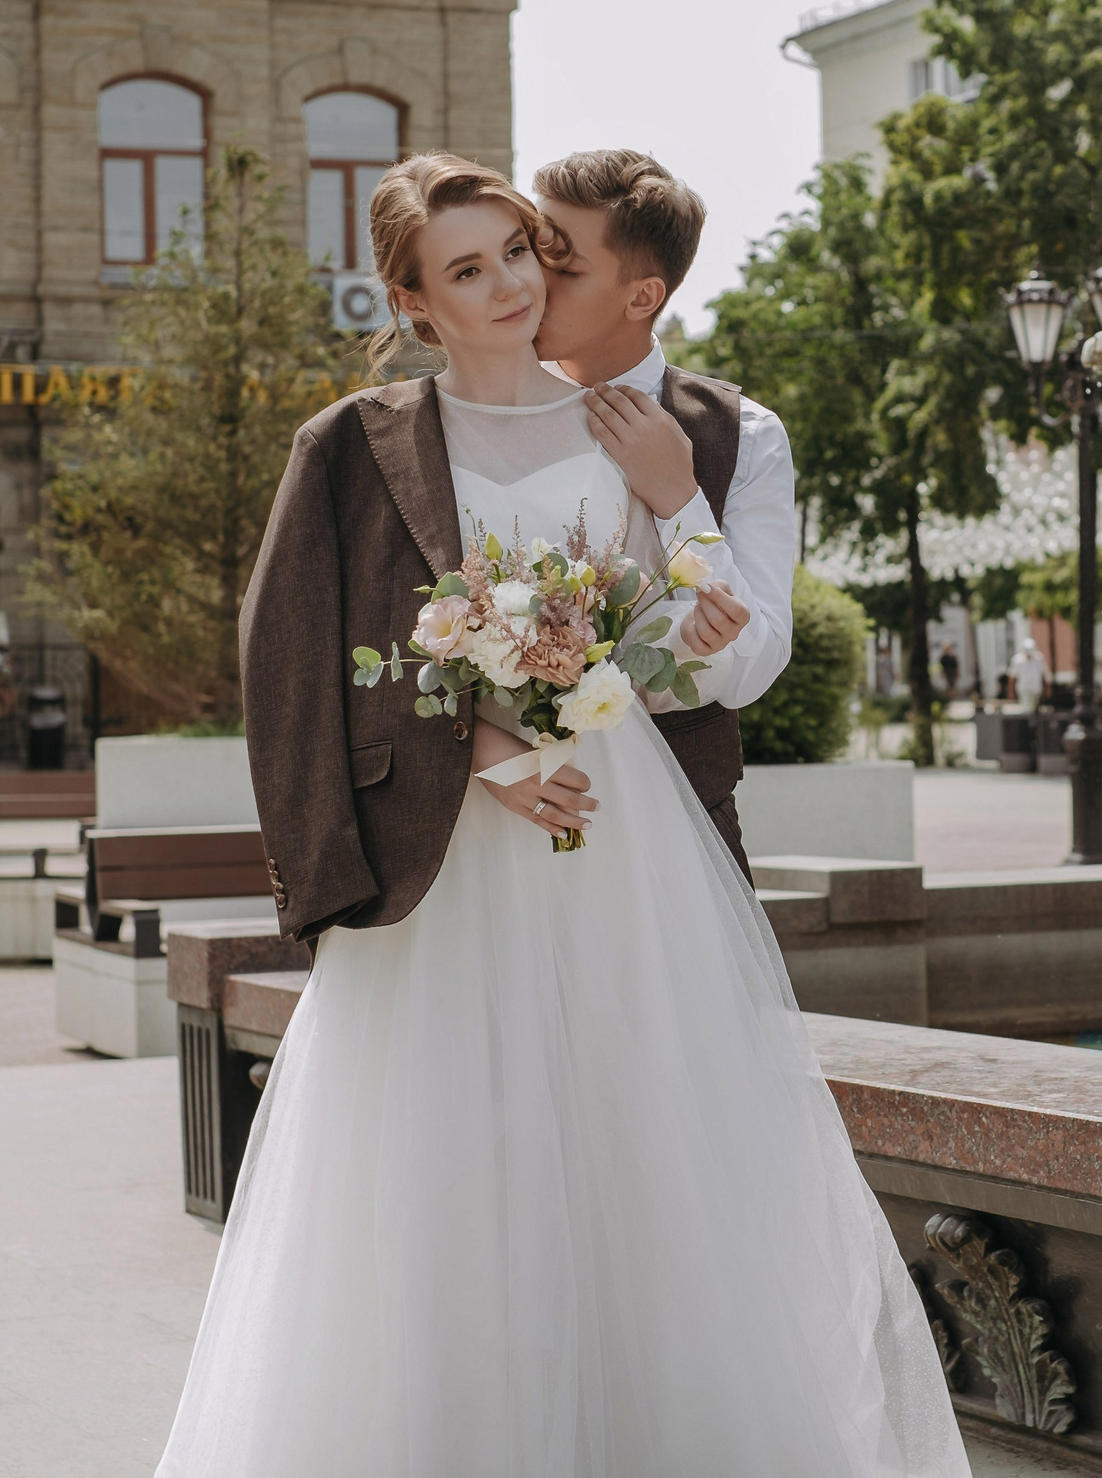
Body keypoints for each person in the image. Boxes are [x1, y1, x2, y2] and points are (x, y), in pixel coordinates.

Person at [155, 155, 968, 1477]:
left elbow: (697, 641)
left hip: (619, 831)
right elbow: (314, 648)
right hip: (453, 858)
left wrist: (662, 575)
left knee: (646, 1160)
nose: (514, 283)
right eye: (471, 267)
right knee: (442, 1171)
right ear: (413, 302)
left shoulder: (639, 429)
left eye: (526, 254)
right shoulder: (359, 443)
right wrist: (480, 746)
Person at [528, 150, 796, 877]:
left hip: (681, 839)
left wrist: (679, 498)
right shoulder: (478, 415)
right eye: (531, 249)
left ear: (641, 295)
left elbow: (756, 662)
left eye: (566, 266)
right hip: (505, 831)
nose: (531, 279)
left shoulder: (748, 434)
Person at [1007, 634, 1049, 711]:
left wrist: (1047, 688)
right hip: (1024, 689)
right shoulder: (1017, 660)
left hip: (1036, 688)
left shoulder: (1039, 658)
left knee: (1034, 709)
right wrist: (1011, 691)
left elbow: (1045, 674)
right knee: (1026, 709)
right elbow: (1012, 676)